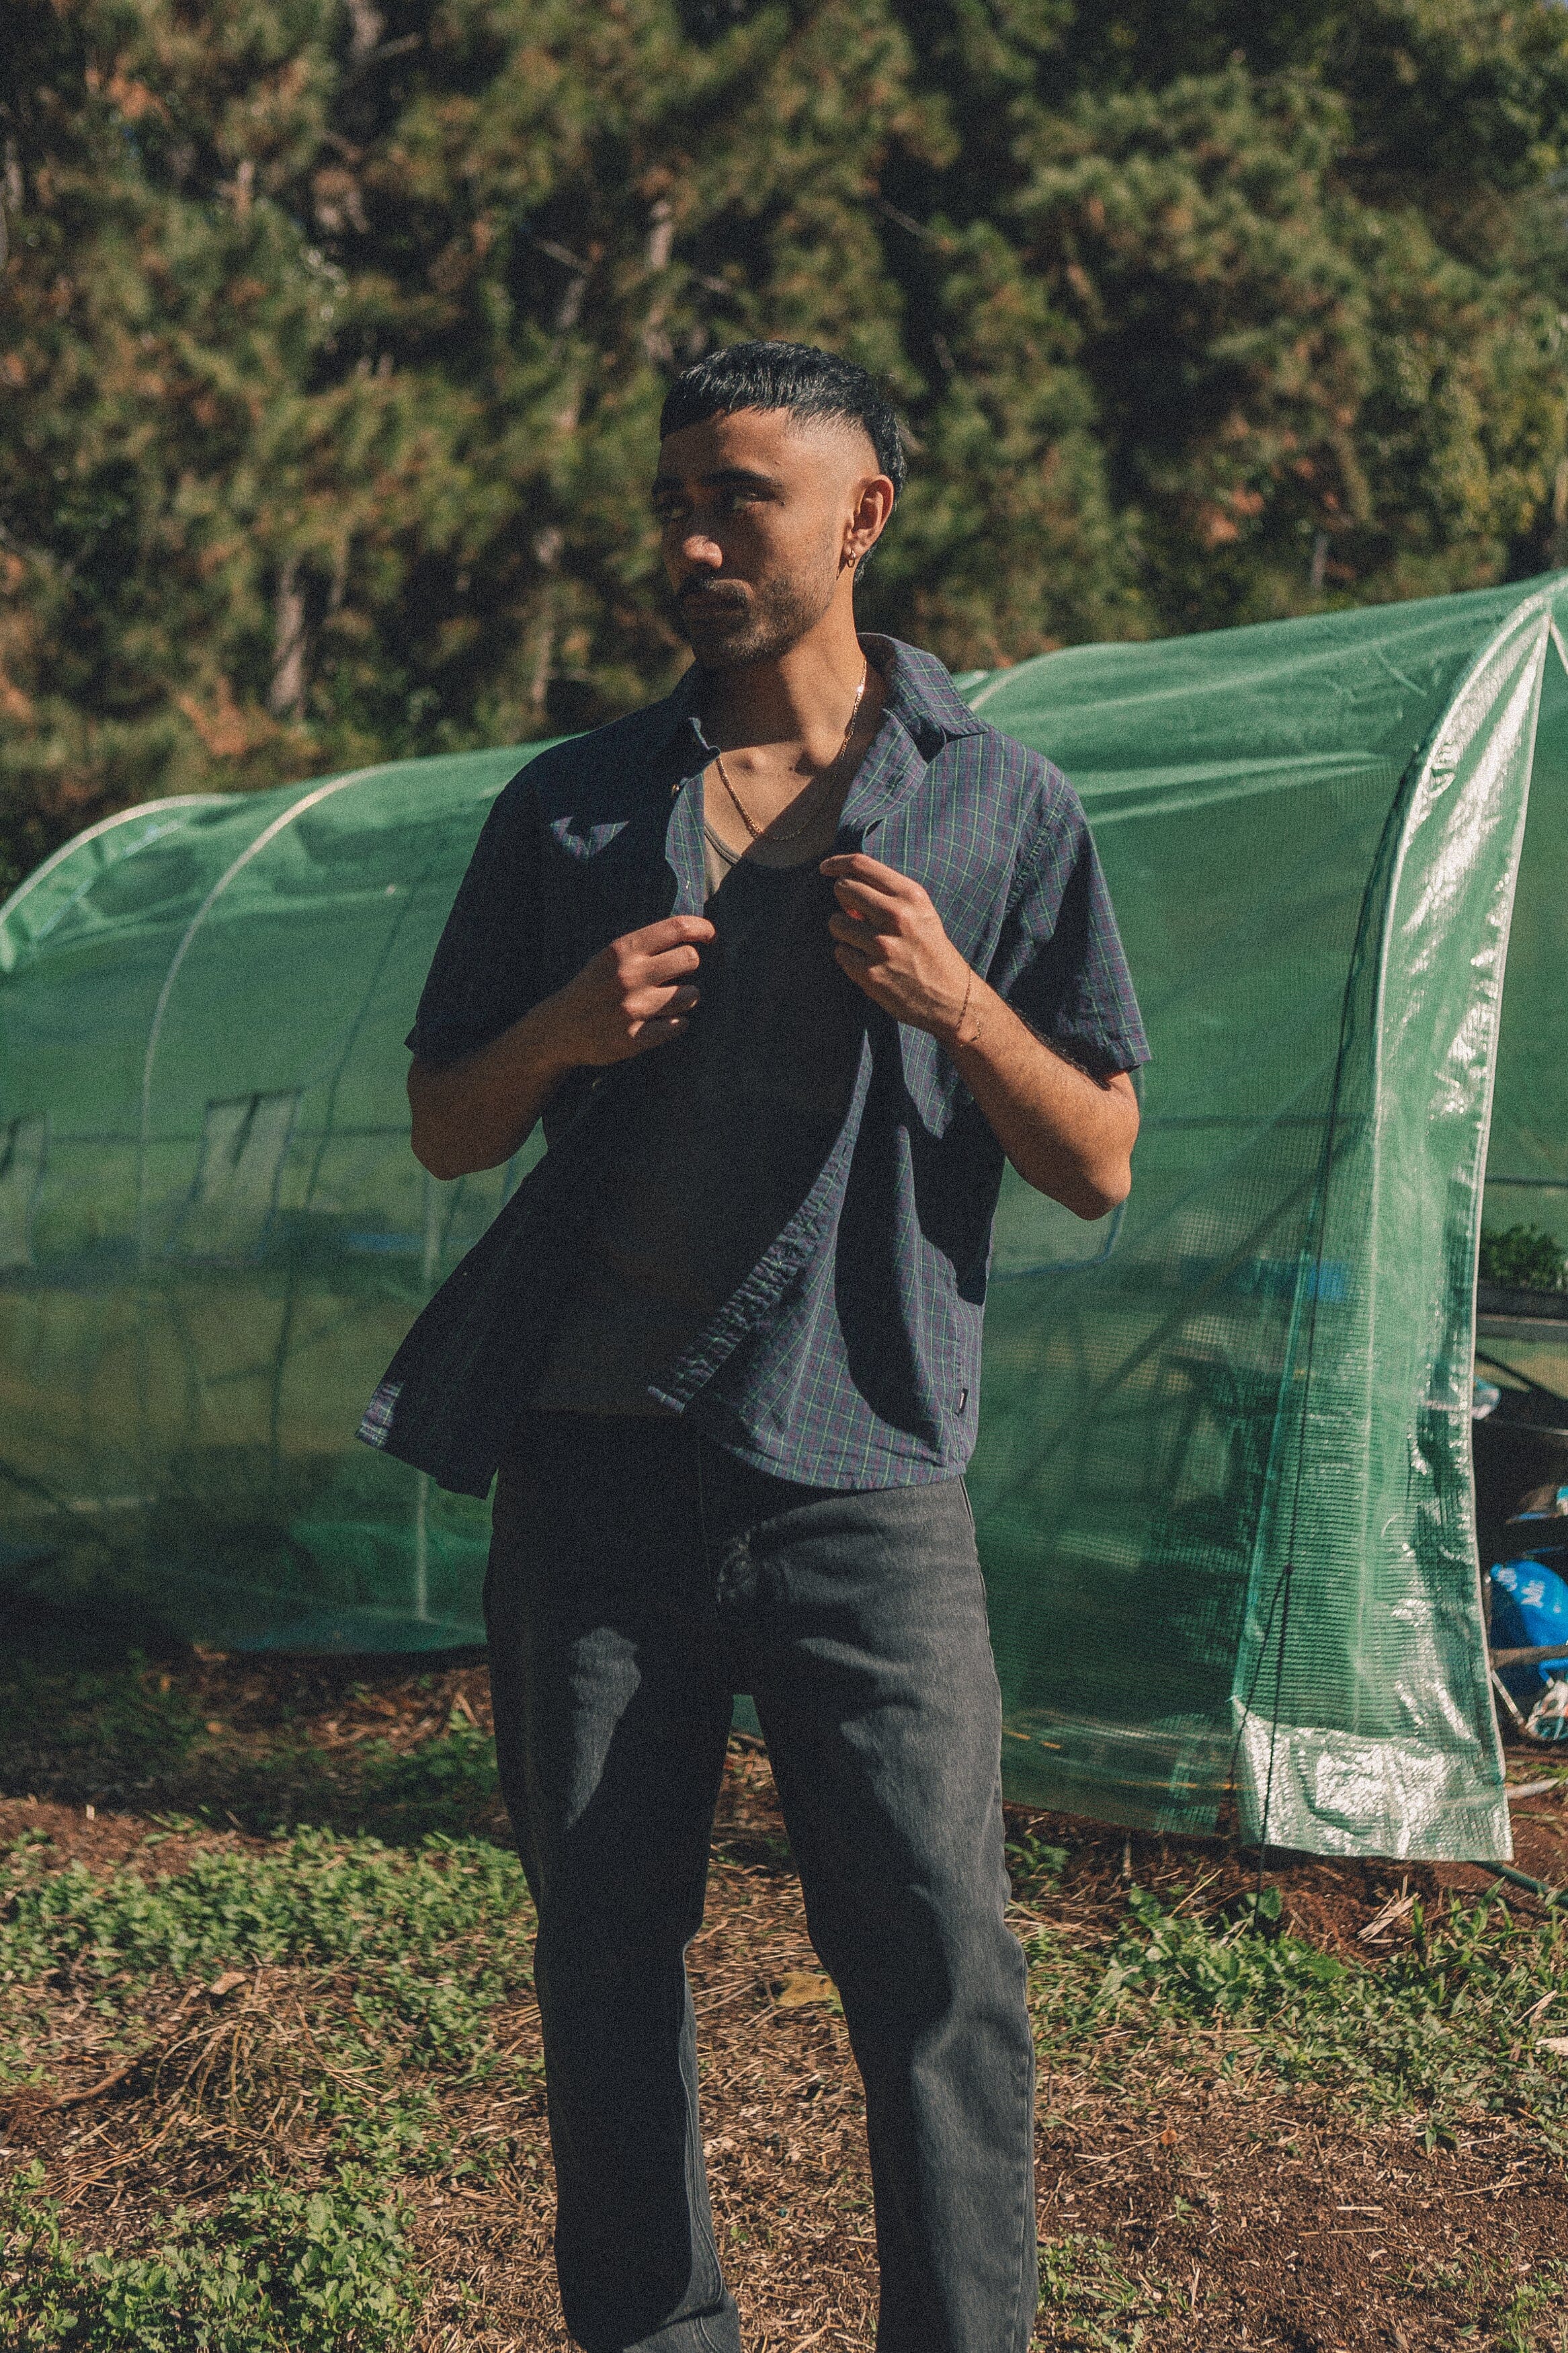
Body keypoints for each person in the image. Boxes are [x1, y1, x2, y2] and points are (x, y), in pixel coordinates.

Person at [360, 341, 1147, 2353]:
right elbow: (451, 1117)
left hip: (866, 1484)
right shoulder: (574, 812)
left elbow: (1105, 1161)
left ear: (861, 515)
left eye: (740, 500)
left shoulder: (1001, 808)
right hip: (594, 1474)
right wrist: (564, 1028)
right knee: (606, 1957)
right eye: (672, 507)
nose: (693, 542)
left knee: (939, 1963)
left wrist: (963, 1008)